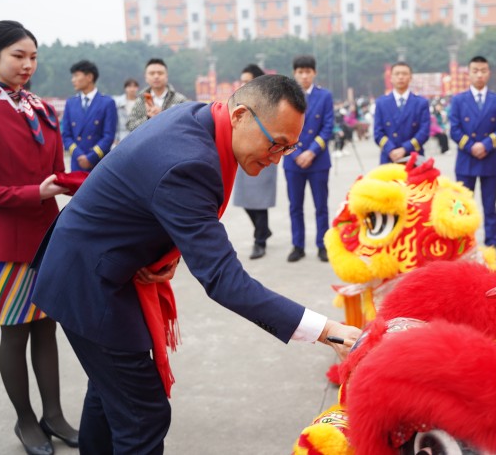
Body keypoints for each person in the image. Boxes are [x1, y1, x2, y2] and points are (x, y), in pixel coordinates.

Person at [30, 74, 361, 453]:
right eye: (276, 145)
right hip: (87, 280)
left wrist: (165, 252)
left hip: (101, 262)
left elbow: (161, 207)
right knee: (143, 412)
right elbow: (223, 278)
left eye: (289, 148)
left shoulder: (203, 119)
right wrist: (326, 329)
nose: (277, 159)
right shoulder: (190, 162)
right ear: (239, 114)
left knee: (109, 394)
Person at [0, 20, 78, 455]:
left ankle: (53, 414)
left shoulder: (41, 108)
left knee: (47, 328)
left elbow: (56, 172)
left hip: (45, 235)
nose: (27, 65)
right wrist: (33, 192)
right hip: (3, 242)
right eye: (18, 56)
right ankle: (25, 420)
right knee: (15, 332)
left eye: (33, 57)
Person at [449, 56, 496, 262]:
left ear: (489, 73)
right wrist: (470, 145)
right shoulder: (458, 100)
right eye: (475, 70)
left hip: (489, 158)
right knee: (463, 206)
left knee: (490, 205)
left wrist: (486, 144)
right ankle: (464, 247)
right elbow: (454, 130)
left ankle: (492, 245)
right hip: (466, 160)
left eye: (483, 70)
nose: (479, 74)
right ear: (469, 73)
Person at [283, 55, 334, 263]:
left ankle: (323, 244)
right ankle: (298, 245)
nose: (304, 76)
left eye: (308, 71)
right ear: (294, 73)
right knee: (295, 205)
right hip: (293, 160)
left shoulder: (325, 96)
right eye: (300, 72)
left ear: (314, 73)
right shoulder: (285, 97)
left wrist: (311, 151)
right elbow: (281, 127)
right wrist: (296, 153)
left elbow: (328, 126)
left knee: (321, 205)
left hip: (318, 160)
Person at [232, 64, 276, 260]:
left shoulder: (271, 101)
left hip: (264, 154)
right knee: (245, 200)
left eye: (247, 81)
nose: (243, 85)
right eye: (242, 81)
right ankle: (264, 230)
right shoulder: (238, 101)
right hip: (244, 154)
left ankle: (260, 242)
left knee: (260, 201)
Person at [61, 60, 118, 171]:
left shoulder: (107, 102)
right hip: (77, 163)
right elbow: (66, 135)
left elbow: (108, 136)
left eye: (76, 76)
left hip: (99, 162)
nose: (73, 80)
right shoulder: (71, 103)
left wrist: (91, 157)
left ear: (89, 77)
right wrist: (79, 155)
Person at [373, 61, 430, 164]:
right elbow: (378, 133)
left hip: (414, 158)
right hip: (389, 158)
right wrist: (391, 150)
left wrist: (404, 149)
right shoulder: (381, 103)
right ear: (391, 78)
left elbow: (424, 132)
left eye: (404, 74)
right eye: (397, 74)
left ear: (410, 78)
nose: (400, 77)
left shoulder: (421, 103)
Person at [126, 58, 188, 132]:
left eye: (160, 73)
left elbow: (186, 124)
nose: (156, 76)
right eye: (152, 73)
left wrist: (163, 114)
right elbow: (130, 125)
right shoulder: (141, 100)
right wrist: (148, 117)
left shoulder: (179, 100)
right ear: (146, 77)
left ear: (166, 76)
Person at [114, 78, 139, 143]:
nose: (132, 89)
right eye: (129, 86)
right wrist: (115, 137)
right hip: (122, 135)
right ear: (125, 88)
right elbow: (115, 121)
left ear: (137, 88)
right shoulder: (118, 103)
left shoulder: (141, 102)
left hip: (137, 135)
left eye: (134, 86)